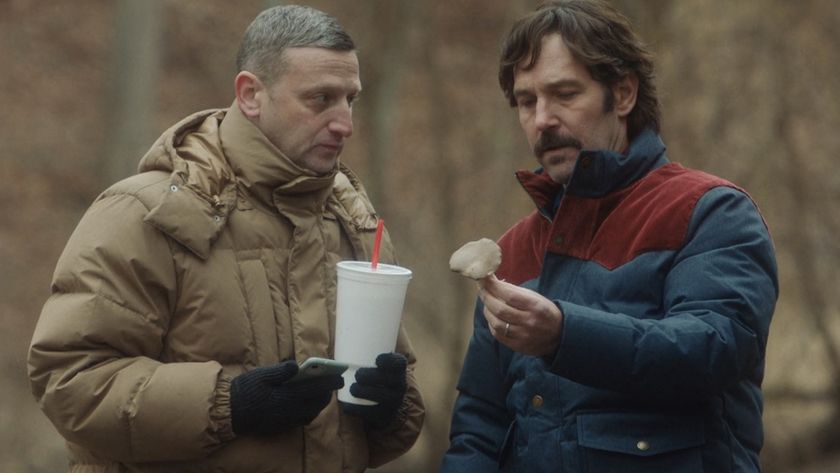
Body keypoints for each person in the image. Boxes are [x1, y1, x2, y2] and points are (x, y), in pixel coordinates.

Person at [27, 5, 424, 473]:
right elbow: (69, 381)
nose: (345, 124)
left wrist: (389, 406)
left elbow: (394, 413)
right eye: (320, 99)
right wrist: (229, 404)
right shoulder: (146, 214)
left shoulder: (353, 220)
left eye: (350, 100)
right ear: (251, 95)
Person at [441, 1, 777, 472]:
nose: (542, 119)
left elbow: (714, 348)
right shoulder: (511, 252)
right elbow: (478, 430)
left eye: (564, 94)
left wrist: (564, 334)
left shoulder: (710, 211)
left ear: (623, 94)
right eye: (527, 102)